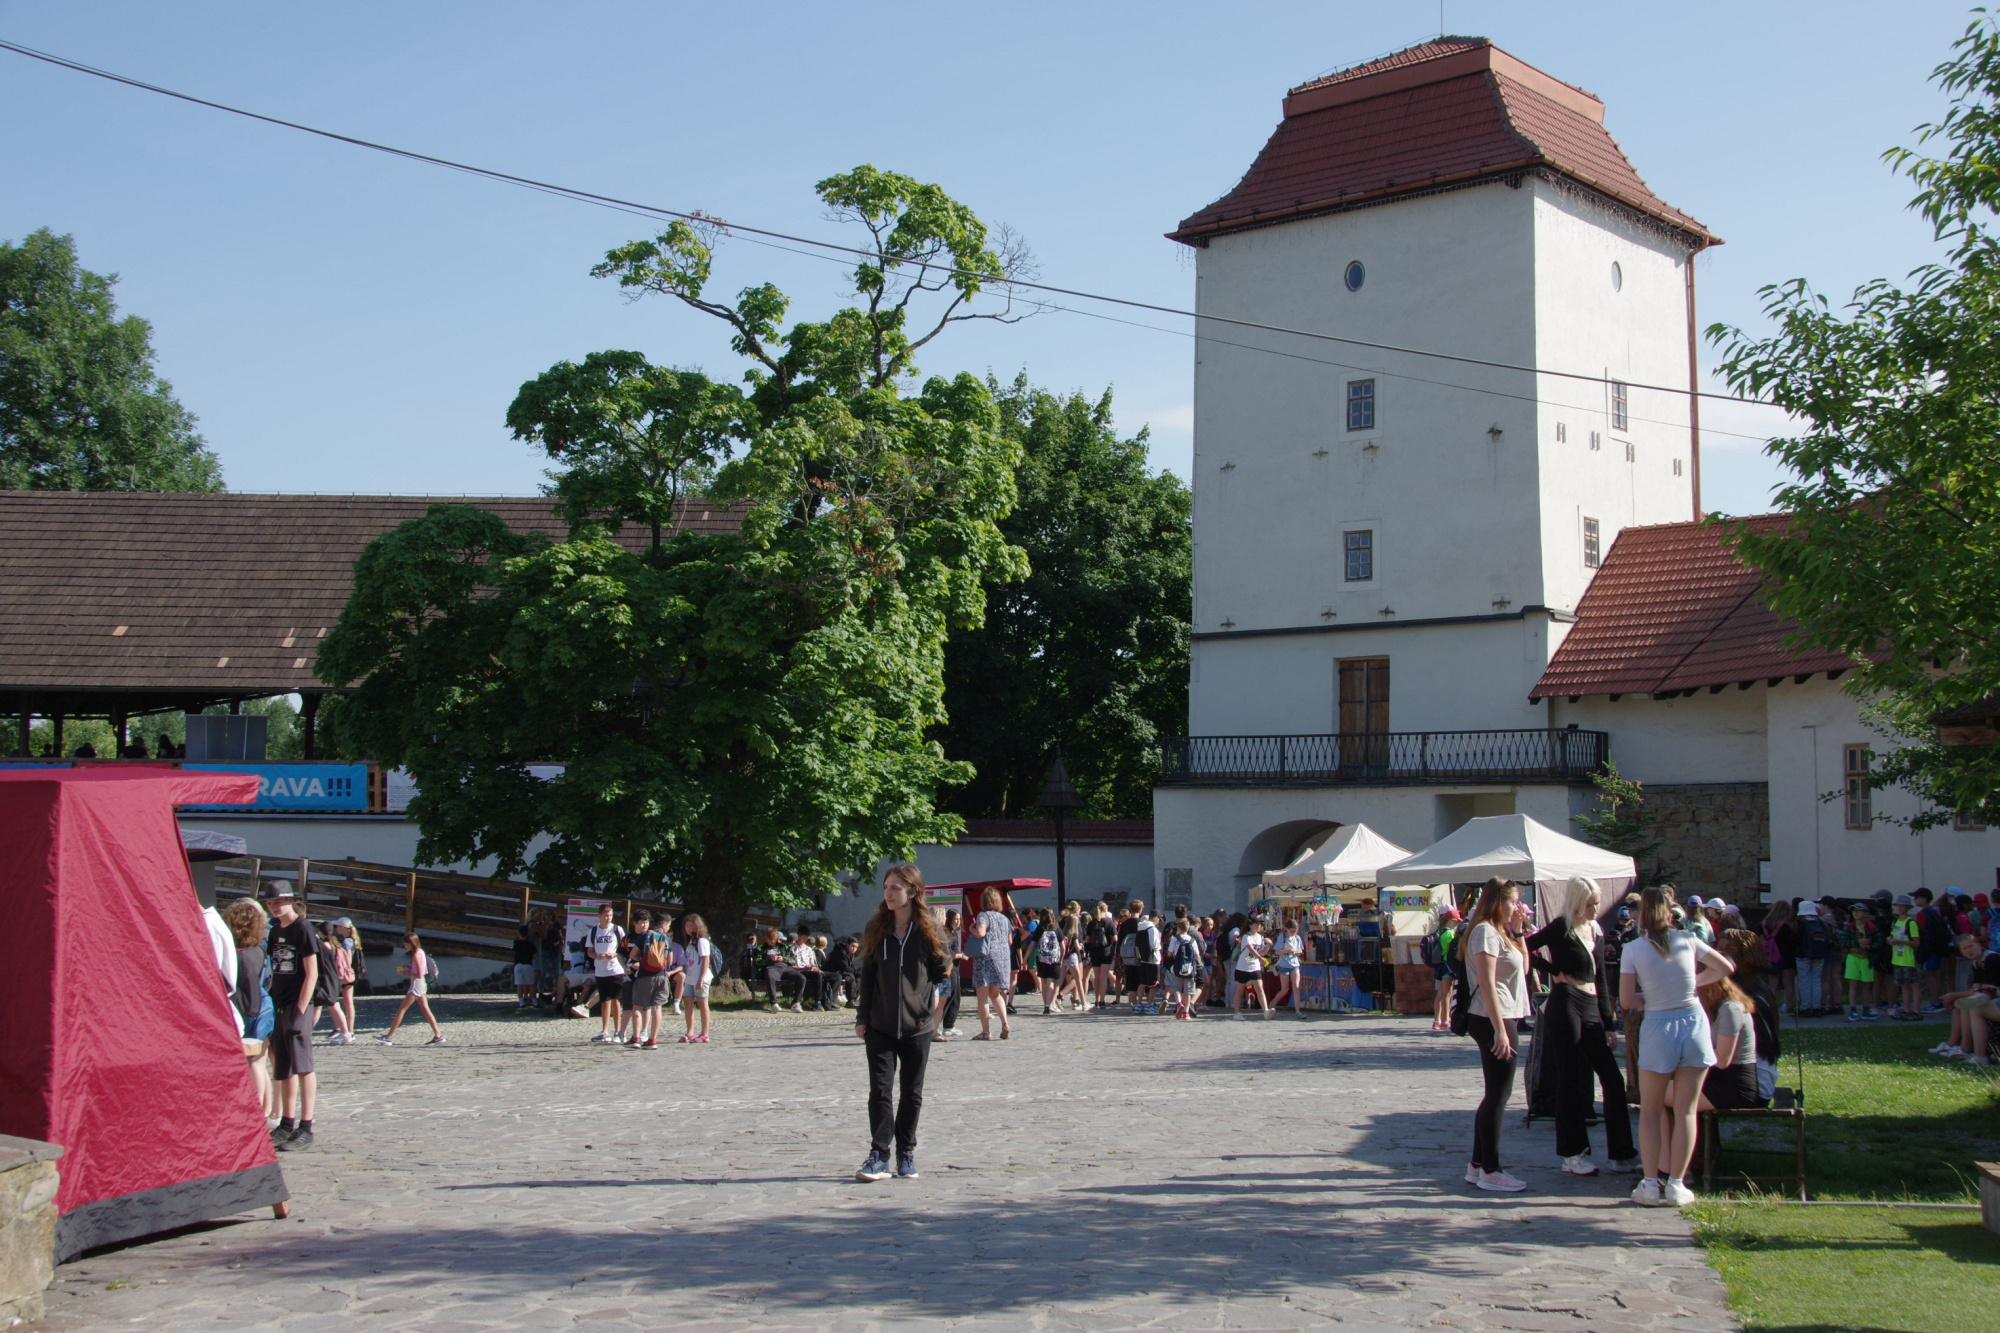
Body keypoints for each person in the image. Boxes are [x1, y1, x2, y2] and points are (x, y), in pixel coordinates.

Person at [1620, 885, 1735, 1207]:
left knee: (1651, 1111)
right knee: (1686, 1110)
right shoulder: (1688, 940)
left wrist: (1654, 995)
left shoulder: (1633, 949)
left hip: (1659, 1024)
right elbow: (1726, 968)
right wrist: (1690, 983)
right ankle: (1677, 1184)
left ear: (1643, 915)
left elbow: (1628, 1000)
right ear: (1671, 913)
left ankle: (1650, 1181)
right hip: (1693, 1022)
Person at [1525, 877, 1638, 1177]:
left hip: (1590, 1005)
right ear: (1576, 902)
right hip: (1566, 1003)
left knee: (1612, 1080)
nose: (1594, 908)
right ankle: (1574, 1152)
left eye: (1597, 903)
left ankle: (1622, 1152)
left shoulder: (1596, 930)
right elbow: (1526, 948)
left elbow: (1600, 978)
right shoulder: (1562, 926)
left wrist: (1609, 1022)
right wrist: (1555, 972)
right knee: (1571, 1078)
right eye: (1589, 904)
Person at [853, 862, 947, 1181]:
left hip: (917, 1026)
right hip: (879, 1024)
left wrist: (940, 983)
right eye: (886, 887)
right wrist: (862, 1017)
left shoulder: (929, 930)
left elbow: (940, 971)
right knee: (879, 1090)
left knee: (912, 1091)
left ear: (913, 891)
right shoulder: (877, 927)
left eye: (896, 887)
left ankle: (906, 1152)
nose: (888, 893)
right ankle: (879, 1154)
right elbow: (867, 975)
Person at [1458, 878, 1531, 1191]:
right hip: (1492, 1016)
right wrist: (1500, 1030)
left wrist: (1518, 932)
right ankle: (1491, 1168)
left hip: (1503, 1012)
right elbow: (1486, 982)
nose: (1516, 907)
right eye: (1512, 901)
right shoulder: (1485, 932)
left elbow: (1524, 969)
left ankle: (1477, 1165)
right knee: (1498, 1095)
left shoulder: (1501, 931)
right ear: (1497, 901)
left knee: (1496, 1093)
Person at [262, 882, 320, 1151]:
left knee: (303, 1065)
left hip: (298, 1005)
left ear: (290, 901)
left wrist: (301, 1007)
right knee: (282, 1066)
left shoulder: (303, 929)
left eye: (279, 902)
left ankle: (306, 1126)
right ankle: (287, 1123)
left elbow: (312, 972)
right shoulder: (275, 931)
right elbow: (274, 971)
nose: (275, 907)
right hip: (279, 1004)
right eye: (271, 903)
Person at [221, 897, 276, 1118]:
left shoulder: (238, 954)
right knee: (260, 1063)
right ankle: (267, 1111)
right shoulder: (259, 949)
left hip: (249, 1009)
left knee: (253, 1062)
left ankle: (256, 1114)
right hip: (264, 1005)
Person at [1695, 968, 1766, 1112]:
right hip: (1717, 1080)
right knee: (1659, 1093)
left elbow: (1722, 1061)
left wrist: (1691, 1049)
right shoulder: (1718, 1009)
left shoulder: (1730, 1009)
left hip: (1734, 1086)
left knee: (1661, 1096)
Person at [378, 931, 445, 1045]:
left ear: (411, 943)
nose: (404, 946)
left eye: (405, 944)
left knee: (401, 1010)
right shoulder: (420, 952)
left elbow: (418, 973)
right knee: (425, 1009)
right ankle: (438, 1035)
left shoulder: (416, 955)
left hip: (416, 984)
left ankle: (389, 1037)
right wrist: (408, 967)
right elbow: (421, 970)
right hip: (421, 983)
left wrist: (406, 972)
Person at [969, 888, 1013, 1040]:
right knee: (996, 994)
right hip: (1003, 958)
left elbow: (980, 933)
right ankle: (1005, 1023)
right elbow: (1010, 941)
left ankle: (986, 1031)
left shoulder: (983, 915)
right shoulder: (1004, 919)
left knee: (982, 997)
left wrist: (971, 929)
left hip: (986, 958)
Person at [628, 912, 674, 1049]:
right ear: (664, 924)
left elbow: (632, 955)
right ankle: (652, 1040)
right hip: (661, 976)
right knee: (657, 1007)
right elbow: (670, 961)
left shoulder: (644, 936)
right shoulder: (667, 939)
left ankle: (636, 1038)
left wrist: (642, 960)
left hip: (644, 976)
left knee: (637, 1006)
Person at [585, 903, 626, 1042]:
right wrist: (597, 956)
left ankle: (618, 1031)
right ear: (600, 916)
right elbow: (589, 951)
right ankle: (605, 1031)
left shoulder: (617, 929)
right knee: (605, 1001)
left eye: (610, 916)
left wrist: (613, 954)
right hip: (601, 970)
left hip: (615, 969)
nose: (608, 918)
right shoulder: (593, 931)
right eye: (606, 916)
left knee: (616, 1000)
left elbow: (623, 949)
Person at [678, 914, 715, 1043]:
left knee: (702, 1002)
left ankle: (705, 1033)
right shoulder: (689, 942)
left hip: (701, 977)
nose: (688, 928)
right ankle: (690, 1032)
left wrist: (700, 979)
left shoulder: (702, 941)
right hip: (690, 977)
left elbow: (705, 960)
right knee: (688, 1001)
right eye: (686, 925)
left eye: (691, 925)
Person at [1841, 902, 1879, 1021]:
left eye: (1859, 910)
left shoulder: (1872, 927)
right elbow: (1844, 942)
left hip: (1866, 958)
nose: (1856, 913)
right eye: (1854, 911)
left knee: (1867, 984)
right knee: (1854, 984)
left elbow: (1879, 941)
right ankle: (1853, 1009)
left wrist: (1870, 946)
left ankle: (1866, 1008)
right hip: (1853, 956)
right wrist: (1858, 943)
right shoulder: (1850, 927)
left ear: (1866, 913)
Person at [1794, 900, 1831, 1015]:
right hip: (1819, 955)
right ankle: (1816, 1007)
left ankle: (1805, 1007)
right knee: (1816, 980)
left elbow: (1795, 940)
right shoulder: (1821, 923)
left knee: (1805, 981)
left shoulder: (1800, 924)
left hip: (1803, 955)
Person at [1761, 898, 1797, 1015]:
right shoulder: (1788, 926)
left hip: (1771, 956)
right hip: (1787, 956)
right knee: (1788, 983)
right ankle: (1789, 1005)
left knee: (1773, 982)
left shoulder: (1766, 924)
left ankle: (1771, 1004)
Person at [1231, 917, 1271, 1019]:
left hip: (1255, 966)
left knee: (1259, 989)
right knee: (1240, 990)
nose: (1258, 926)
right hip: (1243, 967)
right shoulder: (1246, 936)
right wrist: (1260, 958)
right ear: (1250, 925)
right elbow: (1251, 949)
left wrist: (1267, 947)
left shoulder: (1260, 937)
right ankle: (1237, 1013)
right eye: (1256, 924)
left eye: (1259, 924)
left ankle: (1266, 1011)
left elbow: (1259, 952)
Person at [1165, 915, 1203, 1019]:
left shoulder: (1175, 940)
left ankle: (1179, 1004)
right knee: (1188, 991)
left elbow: (1169, 953)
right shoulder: (1192, 940)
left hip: (1177, 968)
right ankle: (1186, 1012)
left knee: (1176, 988)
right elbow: (1197, 955)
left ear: (1179, 928)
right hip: (1190, 969)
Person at [1430, 907, 1462, 1032]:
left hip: (1440, 965)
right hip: (1447, 965)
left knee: (1440, 994)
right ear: (1452, 920)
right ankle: (1445, 1020)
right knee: (1447, 994)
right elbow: (1452, 950)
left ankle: (1437, 1020)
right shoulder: (1449, 934)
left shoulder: (1439, 931)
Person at [938, 909, 967, 1036]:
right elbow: (948, 952)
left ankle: (949, 1024)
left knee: (955, 996)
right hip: (950, 968)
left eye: (959, 919)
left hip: (955, 968)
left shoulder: (953, 933)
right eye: (955, 919)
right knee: (949, 996)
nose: (958, 922)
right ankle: (944, 1024)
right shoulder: (947, 933)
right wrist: (960, 955)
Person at [1084, 902, 1116, 1010]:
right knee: (1103, 977)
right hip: (1106, 951)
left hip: (1094, 951)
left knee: (1096, 977)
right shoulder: (1109, 922)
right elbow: (1115, 938)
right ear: (1105, 910)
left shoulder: (1091, 923)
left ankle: (1097, 1000)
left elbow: (1087, 940)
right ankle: (1102, 1001)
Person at [1034, 909, 1065, 1014]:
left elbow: (1032, 944)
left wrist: (1025, 959)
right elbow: (1063, 946)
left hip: (1043, 959)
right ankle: (1049, 1005)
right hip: (1054, 959)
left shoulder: (1040, 928)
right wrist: (1061, 958)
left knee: (1043, 982)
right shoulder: (1057, 928)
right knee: (1051, 981)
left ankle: (1045, 1005)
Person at [512, 923, 539, 1011]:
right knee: (531, 985)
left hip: (518, 965)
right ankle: (535, 1003)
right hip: (527, 964)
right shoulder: (530, 944)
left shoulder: (516, 943)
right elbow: (535, 955)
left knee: (519, 984)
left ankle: (521, 1003)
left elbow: (514, 952)